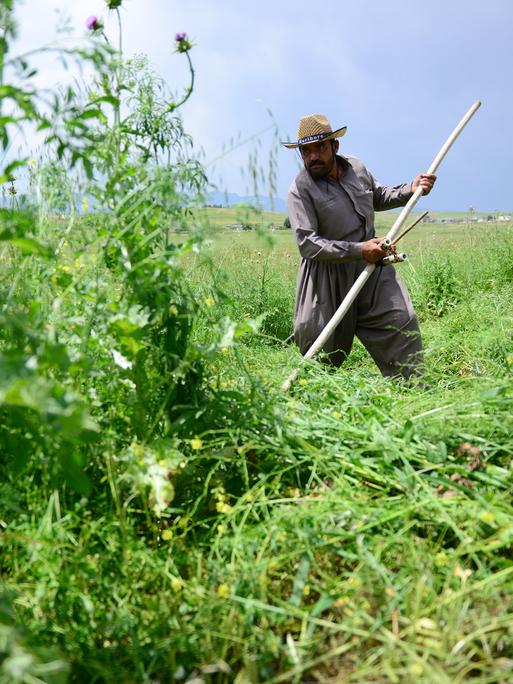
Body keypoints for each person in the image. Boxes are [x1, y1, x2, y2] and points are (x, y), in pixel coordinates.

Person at [282, 113, 436, 379]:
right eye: (305, 151)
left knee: (400, 321)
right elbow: (307, 244)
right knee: (319, 348)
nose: (312, 156)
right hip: (325, 277)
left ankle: (413, 391)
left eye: (319, 147)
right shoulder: (300, 189)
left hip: (372, 268)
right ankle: (312, 406)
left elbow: (377, 196)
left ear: (334, 146)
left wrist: (411, 189)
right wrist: (358, 249)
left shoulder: (357, 168)